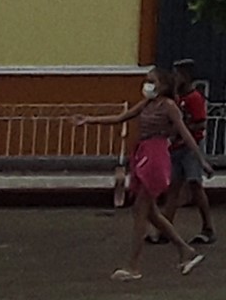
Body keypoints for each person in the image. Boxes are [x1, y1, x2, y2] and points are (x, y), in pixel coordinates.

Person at [93, 76, 206, 280]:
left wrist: (201, 160)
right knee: (151, 212)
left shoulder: (169, 106)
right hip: (143, 152)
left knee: (140, 210)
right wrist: (89, 121)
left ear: (163, 85)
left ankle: (134, 266)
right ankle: (185, 250)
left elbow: (186, 133)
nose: (147, 84)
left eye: (152, 80)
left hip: (156, 155)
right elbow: (122, 118)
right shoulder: (148, 103)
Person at [168, 60, 217, 247]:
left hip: (191, 146)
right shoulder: (177, 98)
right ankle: (167, 228)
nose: (175, 78)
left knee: (195, 184)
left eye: (178, 74)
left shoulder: (194, 98)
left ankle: (208, 227)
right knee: (173, 187)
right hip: (176, 146)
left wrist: (182, 129)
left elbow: (201, 123)